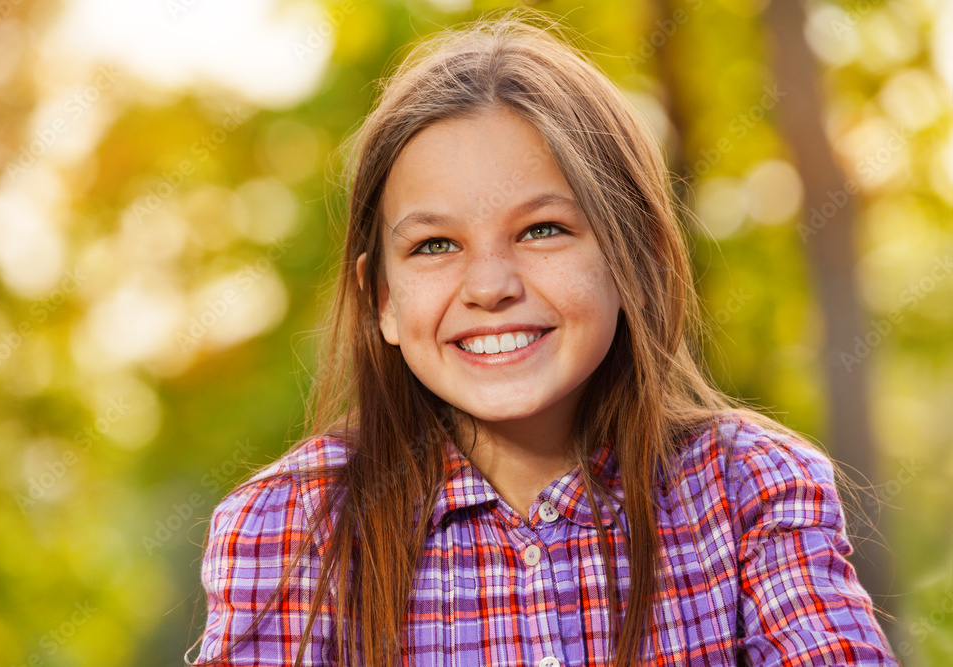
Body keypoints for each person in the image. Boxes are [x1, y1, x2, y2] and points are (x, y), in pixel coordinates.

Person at [189, 10, 898, 667]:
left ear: (639, 259)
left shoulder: (751, 490)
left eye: (542, 230)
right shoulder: (288, 529)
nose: (490, 285)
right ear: (383, 299)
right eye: (435, 245)